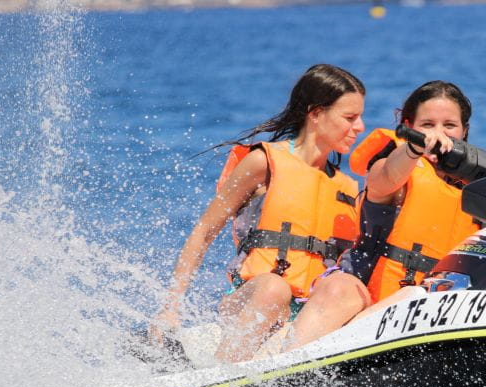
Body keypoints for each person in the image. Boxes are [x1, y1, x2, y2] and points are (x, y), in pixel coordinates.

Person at [148, 64, 365, 362]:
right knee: (274, 289)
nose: (360, 127)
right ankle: (222, 377)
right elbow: (204, 231)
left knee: (348, 287)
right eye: (350, 118)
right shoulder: (262, 163)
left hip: (306, 309)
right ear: (315, 114)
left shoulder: (347, 186)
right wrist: (170, 307)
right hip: (253, 297)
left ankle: (289, 369)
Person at [285, 80, 481, 349]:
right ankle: (278, 368)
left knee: (413, 296)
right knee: (341, 289)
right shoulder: (391, 167)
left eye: (449, 125)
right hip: (356, 297)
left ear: (464, 130)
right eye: (427, 125)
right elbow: (383, 180)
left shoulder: (478, 195)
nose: (439, 134)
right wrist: (415, 148)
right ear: (409, 126)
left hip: (417, 315)